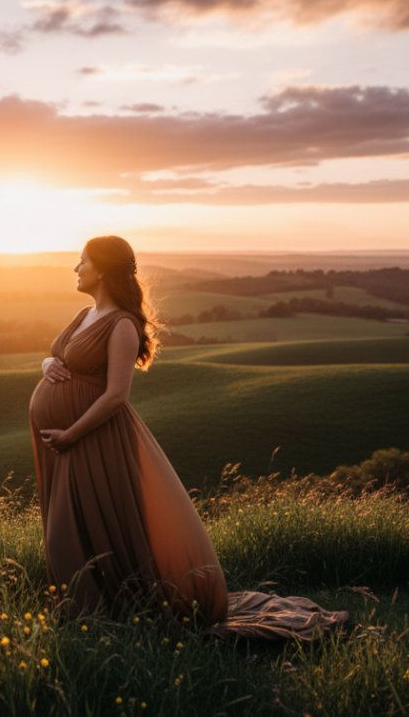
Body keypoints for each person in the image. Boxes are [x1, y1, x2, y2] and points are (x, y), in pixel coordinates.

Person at [28, 235, 349, 640]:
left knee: (77, 528)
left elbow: (116, 395)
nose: (76, 268)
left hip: (92, 440)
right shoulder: (82, 315)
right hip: (66, 443)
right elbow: (59, 356)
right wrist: (45, 363)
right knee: (68, 523)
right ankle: (82, 612)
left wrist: (72, 433)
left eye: (82, 261)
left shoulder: (122, 324)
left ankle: (100, 612)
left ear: (104, 270)